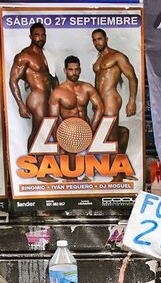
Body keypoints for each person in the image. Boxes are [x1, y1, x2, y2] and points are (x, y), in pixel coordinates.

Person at [91, 28, 138, 181]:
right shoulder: (97, 59)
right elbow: (97, 80)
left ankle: (118, 174)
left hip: (111, 98)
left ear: (106, 39)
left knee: (109, 137)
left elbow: (132, 77)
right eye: (94, 40)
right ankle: (122, 167)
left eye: (99, 39)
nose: (97, 42)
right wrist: (94, 100)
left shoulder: (117, 56)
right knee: (114, 132)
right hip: (100, 101)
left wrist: (132, 101)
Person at [48, 56, 104, 181]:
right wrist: (60, 140)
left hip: (86, 130)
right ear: (65, 70)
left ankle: (84, 175)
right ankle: (71, 178)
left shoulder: (87, 87)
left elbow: (100, 107)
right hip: (68, 132)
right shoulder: (58, 92)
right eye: (71, 69)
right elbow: (53, 118)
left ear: (80, 70)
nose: (74, 73)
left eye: (76, 69)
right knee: (71, 175)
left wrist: (93, 128)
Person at [8, 22, 54, 152]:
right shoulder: (25, 56)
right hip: (37, 97)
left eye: (43, 35)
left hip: (49, 97)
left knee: (47, 131)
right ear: (31, 36)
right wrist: (21, 105)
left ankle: (43, 165)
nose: (40, 38)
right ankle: (32, 165)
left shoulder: (47, 55)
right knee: (38, 131)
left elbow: (51, 77)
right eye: (37, 35)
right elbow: (12, 80)